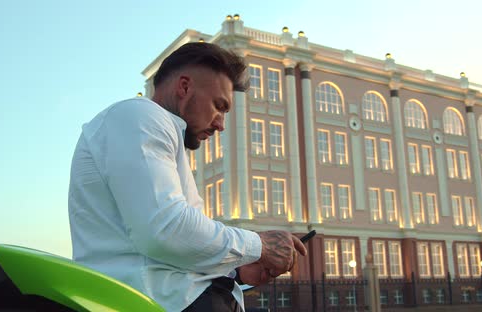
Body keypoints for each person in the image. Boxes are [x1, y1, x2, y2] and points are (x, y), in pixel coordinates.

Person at [68, 42, 307, 311]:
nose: (221, 124)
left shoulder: (152, 130)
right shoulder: (141, 115)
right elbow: (166, 229)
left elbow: (163, 250)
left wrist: (236, 272)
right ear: (184, 87)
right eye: (219, 106)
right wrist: (259, 245)